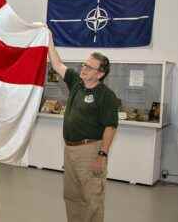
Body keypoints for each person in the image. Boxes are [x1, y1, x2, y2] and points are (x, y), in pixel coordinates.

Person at [48, 35, 119, 222]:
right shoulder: (76, 84)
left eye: (89, 67)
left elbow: (110, 127)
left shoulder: (106, 96)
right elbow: (56, 64)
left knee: (92, 199)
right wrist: (48, 38)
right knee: (72, 197)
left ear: (100, 74)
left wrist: (102, 156)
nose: (84, 68)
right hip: (70, 150)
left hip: (90, 151)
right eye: (84, 64)